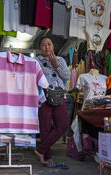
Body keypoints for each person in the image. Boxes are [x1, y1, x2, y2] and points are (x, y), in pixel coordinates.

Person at [35, 36, 71, 168]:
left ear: (53, 46)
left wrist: (56, 63)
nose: (47, 47)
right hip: (44, 96)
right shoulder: (36, 61)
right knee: (45, 128)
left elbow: (66, 76)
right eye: (44, 45)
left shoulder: (60, 59)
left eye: (49, 44)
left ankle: (40, 150)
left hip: (59, 96)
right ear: (40, 48)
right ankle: (46, 158)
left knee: (63, 125)